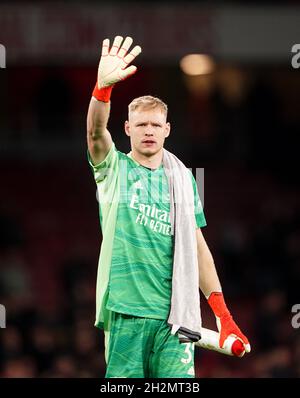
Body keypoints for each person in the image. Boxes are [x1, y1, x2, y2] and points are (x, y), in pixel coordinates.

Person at [87, 36, 250, 378]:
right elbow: (95, 132)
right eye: (141, 125)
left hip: (177, 316)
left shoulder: (185, 179)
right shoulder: (114, 169)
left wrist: (223, 314)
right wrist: (102, 89)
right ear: (128, 129)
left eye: (155, 125)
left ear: (167, 130)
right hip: (126, 311)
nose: (149, 131)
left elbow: (198, 248)